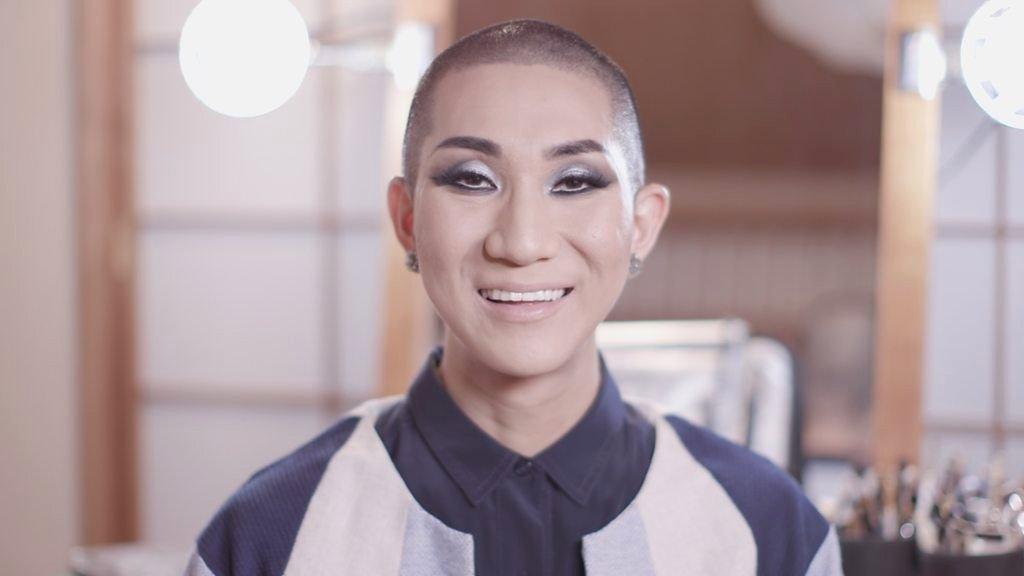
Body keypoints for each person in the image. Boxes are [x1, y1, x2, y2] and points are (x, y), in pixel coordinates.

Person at [186, 19, 842, 576]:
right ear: (408, 219)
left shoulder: (769, 532)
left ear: (641, 225)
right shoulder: (270, 535)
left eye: (576, 181)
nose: (522, 242)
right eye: (472, 179)